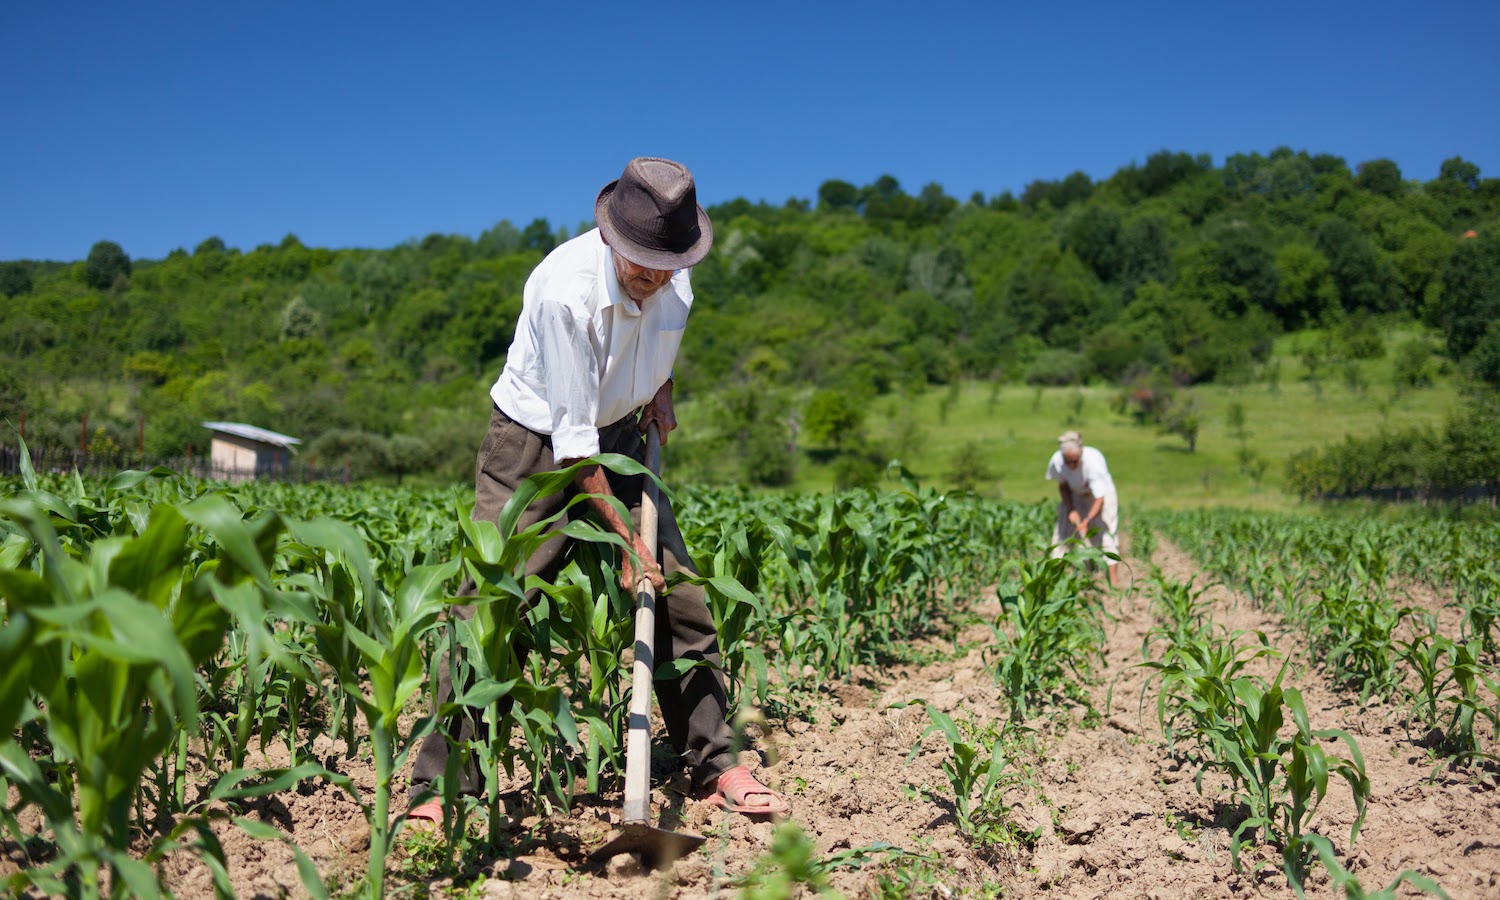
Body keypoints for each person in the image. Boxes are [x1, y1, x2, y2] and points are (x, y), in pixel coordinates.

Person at [406, 157, 788, 827]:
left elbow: (656, 342)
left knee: (682, 595)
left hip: (623, 432)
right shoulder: (564, 293)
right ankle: (440, 785)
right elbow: (574, 446)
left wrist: (659, 387)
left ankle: (715, 760)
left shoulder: (674, 271)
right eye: (641, 264)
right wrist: (621, 542)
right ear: (613, 238)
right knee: (495, 601)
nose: (654, 277)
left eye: (665, 265)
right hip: (537, 442)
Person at [1044, 430, 1124, 588]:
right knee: (1063, 534)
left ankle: (1113, 585)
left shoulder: (1093, 463)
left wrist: (1087, 520)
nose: (1071, 465)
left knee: (1106, 534)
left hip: (1101, 496)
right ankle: (1064, 580)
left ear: (1081, 453)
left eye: (1075, 461)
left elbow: (1100, 498)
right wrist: (1071, 509)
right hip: (1076, 494)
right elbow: (1063, 486)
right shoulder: (1057, 462)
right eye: (1068, 461)